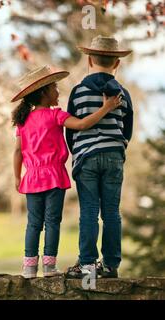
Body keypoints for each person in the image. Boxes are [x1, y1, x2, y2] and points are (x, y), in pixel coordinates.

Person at [11, 65, 122, 279]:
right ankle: (49, 267)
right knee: (52, 221)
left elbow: (18, 151)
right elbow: (81, 125)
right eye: (54, 87)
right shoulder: (55, 116)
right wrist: (106, 107)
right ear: (44, 93)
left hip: (32, 177)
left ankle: (29, 268)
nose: (58, 91)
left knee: (33, 223)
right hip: (53, 176)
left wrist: (17, 176)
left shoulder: (23, 121)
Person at [65, 35, 133, 279]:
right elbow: (128, 128)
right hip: (114, 155)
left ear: (90, 60)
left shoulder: (78, 91)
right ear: (117, 63)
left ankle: (87, 265)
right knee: (112, 212)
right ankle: (111, 264)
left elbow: (70, 128)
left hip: (86, 158)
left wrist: (79, 153)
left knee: (89, 212)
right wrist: (118, 146)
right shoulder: (122, 93)